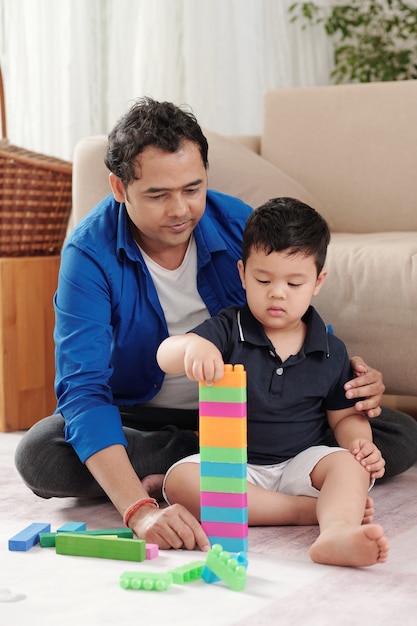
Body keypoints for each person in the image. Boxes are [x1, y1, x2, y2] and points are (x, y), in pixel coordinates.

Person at [14, 98, 417, 551]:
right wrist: (138, 511)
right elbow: (84, 390)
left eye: (192, 188)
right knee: (41, 453)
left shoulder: (238, 225)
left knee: (394, 433)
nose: (180, 210)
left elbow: (292, 316)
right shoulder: (88, 254)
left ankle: (204, 477)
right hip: (147, 418)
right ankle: (226, 480)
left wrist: (352, 383)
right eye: (157, 195)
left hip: (257, 415)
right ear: (119, 187)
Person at [157, 198, 390, 567]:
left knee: (351, 468)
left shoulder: (330, 349)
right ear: (242, 273)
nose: (277, 293)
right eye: (263, 280)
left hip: (301, 463)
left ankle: (337, 534)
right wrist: (192, 347)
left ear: (318, 281)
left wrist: (361, 445)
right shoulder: (227, 329)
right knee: (180, 482)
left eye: (294, 282)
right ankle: (308, 513)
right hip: (234, 466)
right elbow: (165, 353)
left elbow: (344, 416)